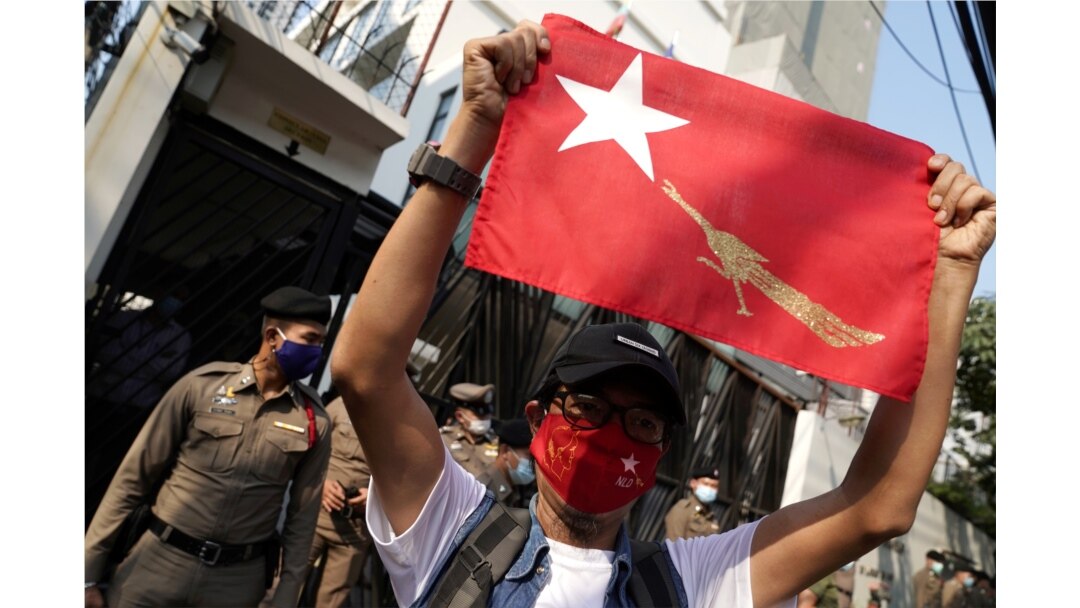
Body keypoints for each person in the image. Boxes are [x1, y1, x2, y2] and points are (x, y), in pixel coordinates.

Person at [329, 21, 997, 608]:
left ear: (659, 455)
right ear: (537, 417)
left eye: (641, 422)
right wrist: (473, 127)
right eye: (588, 408)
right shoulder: (451, 528)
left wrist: (951, 276)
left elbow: (879, 507)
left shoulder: (696, 580)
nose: (610, 434)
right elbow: (366, 369)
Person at [84, 286, 334, 608]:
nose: (317, 351)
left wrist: (286, 597)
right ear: (273, 337)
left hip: (235, 584)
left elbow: (302, 519)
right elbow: (132, 480)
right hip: (156, 564)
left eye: (321, 343)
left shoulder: (314, 421)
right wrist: (88, 572)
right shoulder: (201, 387)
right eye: (310, 340)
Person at [440, 381, 500, 478]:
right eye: (479, 413)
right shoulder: (444, 440)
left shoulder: (497, 441)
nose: (485, 418)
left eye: (488, 412)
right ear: (460, 417)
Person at [475, 418, 536, 508]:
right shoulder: (483, 492)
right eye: (529, 456)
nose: (533, 463)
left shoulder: (518, 486)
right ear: (505, 451)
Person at [664, 466, 722, 540]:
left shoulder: (711, 516)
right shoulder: (683, 509)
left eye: (714, 486)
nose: (709, 489)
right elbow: (674, 544)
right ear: (693, 483)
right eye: (705, 484)